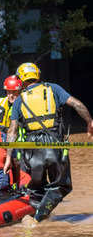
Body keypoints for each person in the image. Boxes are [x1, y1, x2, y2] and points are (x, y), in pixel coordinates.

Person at [7, 62, 93, 221]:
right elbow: (76, 104)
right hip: (53, 144)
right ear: (37, 74)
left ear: (21, 79)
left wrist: (7, 158)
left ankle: (39, 224)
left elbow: (12, 131)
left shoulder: (19, 99)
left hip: (30, 149)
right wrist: (89, 122)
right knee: (62, 185)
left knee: (35, 189)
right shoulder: (53, 89)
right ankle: (39, 219)